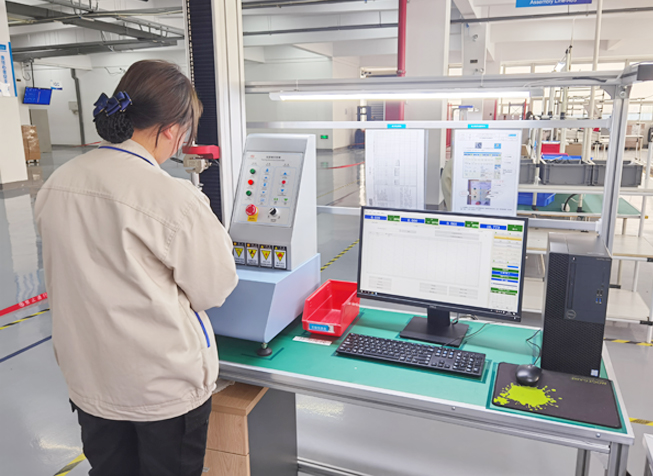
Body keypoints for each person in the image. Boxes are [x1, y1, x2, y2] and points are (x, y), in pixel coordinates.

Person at [35, 60, 238, 476]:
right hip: (162, 391)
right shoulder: (172, 198)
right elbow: (214, 289)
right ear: (171, 130)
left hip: (91, 383)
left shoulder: (58, 183)